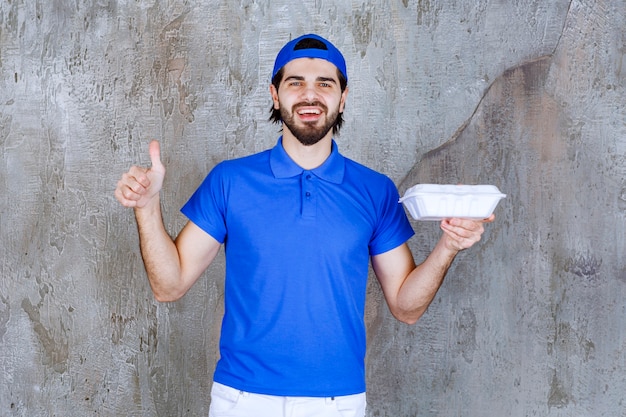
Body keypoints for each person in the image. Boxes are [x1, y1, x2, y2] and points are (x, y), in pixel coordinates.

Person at [115, 33, 493, 417]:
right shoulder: (230, 181)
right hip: (242, 400)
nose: (309, 95)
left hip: (337, 403)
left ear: (342, 98)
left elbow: (406, 307)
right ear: (275, 95)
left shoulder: (375, 191)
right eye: (295, 82)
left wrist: (448, 246)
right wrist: (146, 207)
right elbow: (169, 284)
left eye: (324, 84)